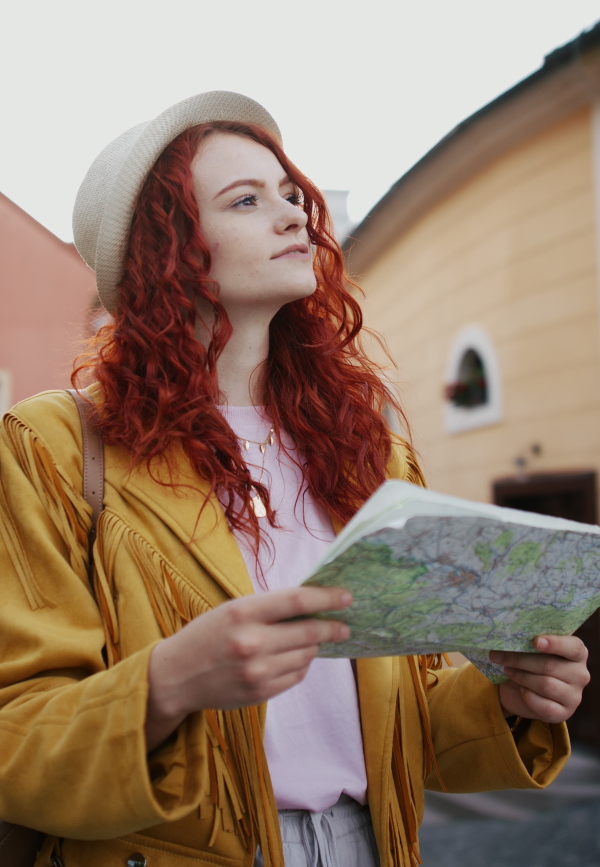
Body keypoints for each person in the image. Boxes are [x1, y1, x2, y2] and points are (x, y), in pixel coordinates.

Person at [0, 91, 589, 867]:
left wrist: (509, 699)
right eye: (245, 199)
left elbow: (406, 716)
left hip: (372, 845)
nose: (294, 216)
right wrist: (168, 682)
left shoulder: (367, 448)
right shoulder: (55, 445)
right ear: (165, 248)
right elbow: (17, 735)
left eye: (289, 193)